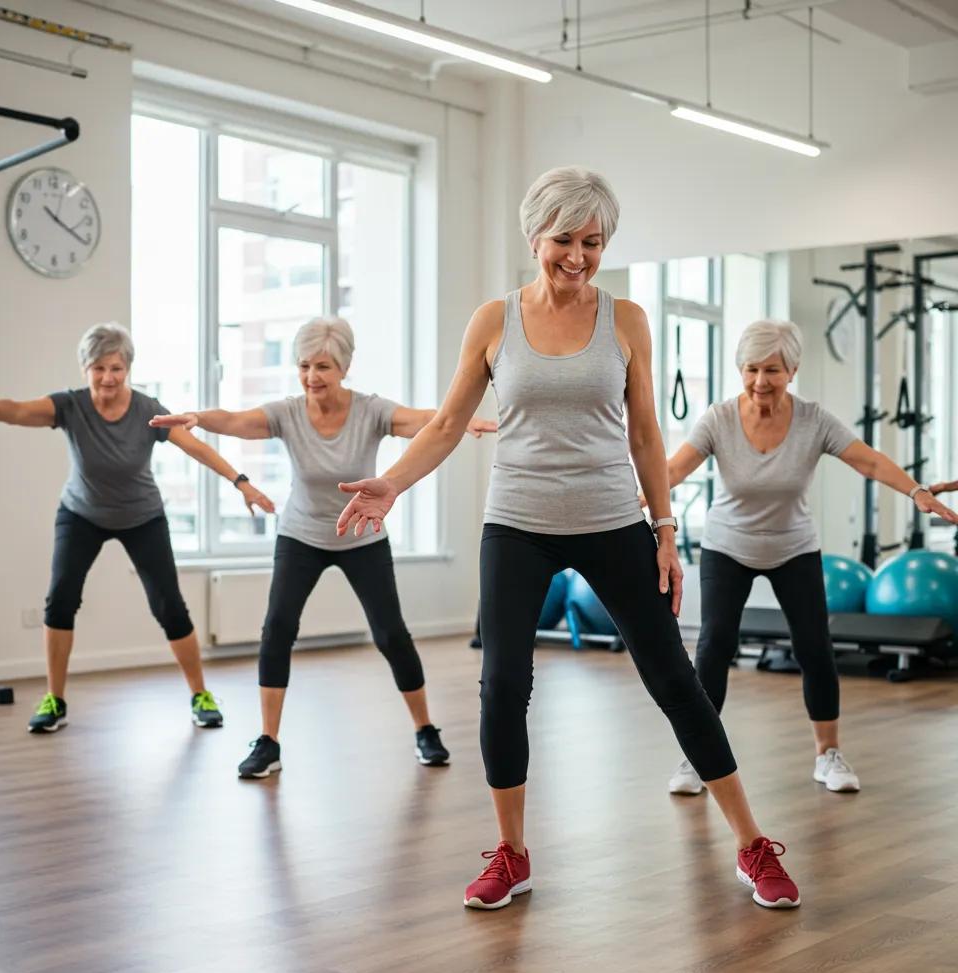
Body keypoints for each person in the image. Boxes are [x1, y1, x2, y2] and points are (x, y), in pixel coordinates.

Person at [336, 167, 801, 911]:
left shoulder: (627, 319)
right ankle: (512, 854)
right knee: (501, 686)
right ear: (535, 237)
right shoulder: (494, 320)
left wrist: (664, 527)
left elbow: (646, 433)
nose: (578, 256)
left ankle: (751, 842)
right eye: (564, 239)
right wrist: (393, 483)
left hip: (612, 519)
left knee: (674, 680)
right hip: (516, 523)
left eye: (593, 242)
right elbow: (451, 423)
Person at [151, 316, 496, 779]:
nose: (312, 377)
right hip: (302, 535)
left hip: (361, 536)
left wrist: (460, 421)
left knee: (391, 634)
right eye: (304, 366)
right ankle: (268, 741)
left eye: (323, 367)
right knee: (276, 629)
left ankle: (425, 730)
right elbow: (236, 421)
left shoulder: (371, 411)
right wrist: (199, 417)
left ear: (345, 368)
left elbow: (422, 421)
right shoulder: (288, 412)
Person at [659, 319, 958, 797]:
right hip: (727, 544)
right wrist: (632, 496)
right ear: (740, 369)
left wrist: (916, 490)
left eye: (772, 370)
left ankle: (828, 754)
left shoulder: (814, 420)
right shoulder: (717, 418)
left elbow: (869, 460)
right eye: (752, 369)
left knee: (815, 646)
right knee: (714, 644)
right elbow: (673, 469)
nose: (761, 381)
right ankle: (698, 757)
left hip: (792, 545)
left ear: (792, 370)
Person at [0, 323, 273, 733]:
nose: (108, 377)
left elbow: (197, 447)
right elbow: (20, 409)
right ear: (86, 369)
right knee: (60, 600)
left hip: (142, 516)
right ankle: (55, 700)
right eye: (99, 367)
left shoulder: (147, 410)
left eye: (116, 368)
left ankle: (200, 694)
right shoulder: (70, 405)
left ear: (128, 368)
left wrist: (240, 481)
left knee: (168, 605)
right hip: (81, 513)